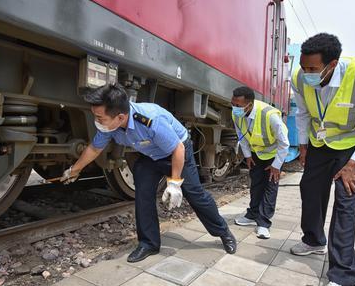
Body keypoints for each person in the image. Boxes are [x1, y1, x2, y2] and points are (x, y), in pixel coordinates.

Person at [60, 84, 237, 262]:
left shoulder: (151, 120)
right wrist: (74, 170)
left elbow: (178, 149)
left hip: (176, 153)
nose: (96, 121)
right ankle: (148, 244)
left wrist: (174, 184)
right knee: (143, 194)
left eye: (99, 117)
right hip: (151, 157)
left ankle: (223, 232)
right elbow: (94, 148)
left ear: (120, 117)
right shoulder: (110, 125)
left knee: (195, 194)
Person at [290, 33, 355, 286]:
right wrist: (302, 146)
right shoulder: (300, 78)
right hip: (319, 142)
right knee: (309, 188)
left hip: (351, 146)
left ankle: (344, 278)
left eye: (312, 68)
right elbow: (302, 113)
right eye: (303, 66)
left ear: (331, 64)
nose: (306, 73)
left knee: (345, 200)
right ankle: (313, 240)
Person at [231, 87, 289, 239]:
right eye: (233, 104)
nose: (234, 108)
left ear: (249, 105)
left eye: (238, 105)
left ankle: (263, 223)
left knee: (270, 186)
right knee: (256, 184)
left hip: (274, 153)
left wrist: (276, 165)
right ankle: (252, 215)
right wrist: (248, 156)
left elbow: (284, 143)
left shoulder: (269, 115)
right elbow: (241, 136)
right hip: (256, 153)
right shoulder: (237, 114)